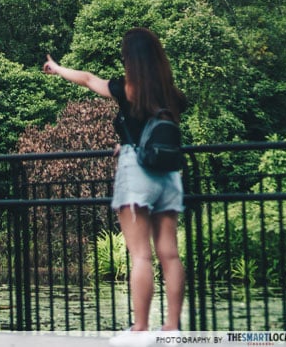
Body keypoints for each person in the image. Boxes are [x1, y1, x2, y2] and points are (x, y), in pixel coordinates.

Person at [42, 27, 187, 344]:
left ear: (130, 59)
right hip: (170, 173)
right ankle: (173, 328)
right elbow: (158, 128)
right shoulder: (171, 93)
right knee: (170, 254)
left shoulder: (127, 88)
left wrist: (56, 68)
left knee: (140, 255)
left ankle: (140, 329)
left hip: (137, 173)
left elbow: (88, 79)